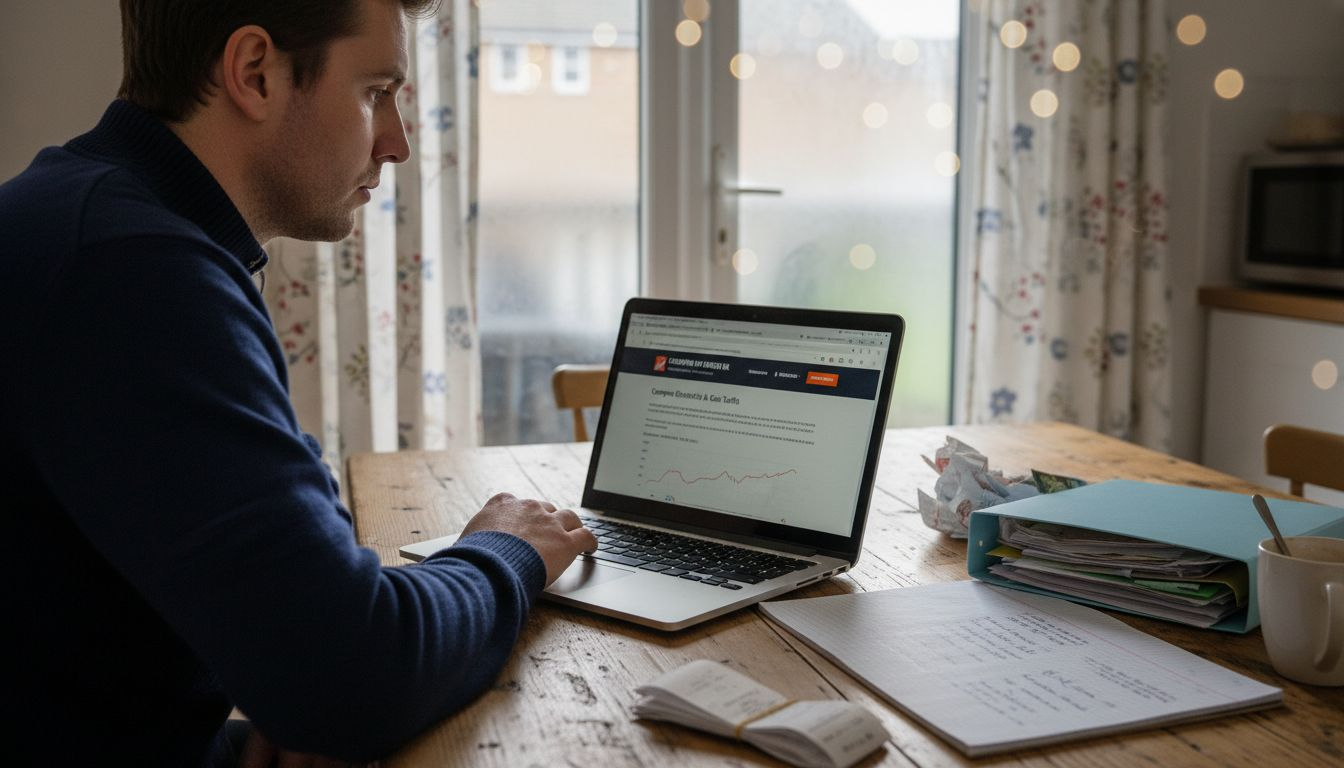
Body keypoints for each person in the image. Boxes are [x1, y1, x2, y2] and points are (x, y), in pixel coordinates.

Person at [0, 0, 596, 765]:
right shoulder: (131, 272)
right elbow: (354, 673)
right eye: (376, 91)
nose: (397, 142)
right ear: (256, 73)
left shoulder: (88, 219)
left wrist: (285, 697)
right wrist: (506, 549)